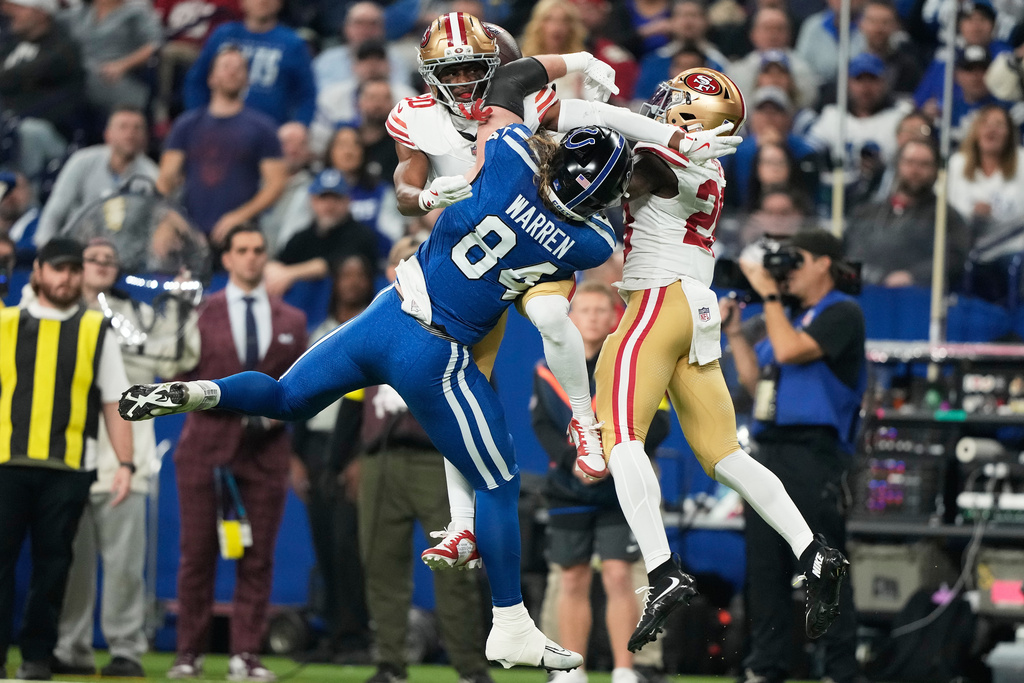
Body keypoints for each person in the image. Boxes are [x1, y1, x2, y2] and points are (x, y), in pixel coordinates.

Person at [119, 52, 634, 673]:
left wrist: (573, 61)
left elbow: (511, 80)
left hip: (383, 317)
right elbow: (607, 221)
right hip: (435, 349)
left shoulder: (509, 157)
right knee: (498, 481)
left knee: (285, 398)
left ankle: (203, 393)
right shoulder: (591, 241)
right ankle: (510, 623)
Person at [388, 12, 723, 569]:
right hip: (470, 263)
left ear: (496, 68)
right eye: (456, 71)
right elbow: (404, 179)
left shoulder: (514, 100)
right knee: (458, 379)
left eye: (477, 68)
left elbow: (595, 112)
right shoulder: (413, 117)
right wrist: (420, 198)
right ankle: (462, 525)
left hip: (537, 237)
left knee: (549, 318)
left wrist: (673, 136)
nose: (468, 82)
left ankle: (583, 423)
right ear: (430, 75)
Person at [588, 68, 850, 655]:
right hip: (696, 308)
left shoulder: (667, 158)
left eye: (676, 105)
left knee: (621, 436)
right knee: (724, 453)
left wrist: (587, 109)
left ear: (691, 119)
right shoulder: (708, 161)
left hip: (656, 300)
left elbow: (610, 178)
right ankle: (812, 550)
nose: (662, 109)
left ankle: (660, 569)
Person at [326, 235, 495, 683]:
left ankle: (469, 667)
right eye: (398, 259)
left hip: (438, 459)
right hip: (380, 456)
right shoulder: (372, 320)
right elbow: (350, 395)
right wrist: (338, 459)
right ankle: (389, 662)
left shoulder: (462, 313)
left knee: (456, 569)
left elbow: (485, 387)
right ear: (389, 271)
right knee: (381, 564)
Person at [160, 225, 307, 681]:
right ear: (226, 259)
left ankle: (246, 653)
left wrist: (272, 418)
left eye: (258, 250)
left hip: (266, 454)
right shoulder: (199, 312)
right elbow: (175, 372)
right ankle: (189, 653)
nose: (250, 258)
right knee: (196, 555)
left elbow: (303, 388)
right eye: (241, 250)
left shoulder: (292, 320)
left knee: (258, 557)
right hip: (205, 448)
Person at [719, 230, 865, 683]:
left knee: (824, 567)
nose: (786, 272)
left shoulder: (842, 311)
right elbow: (754, 383)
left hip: (815, 453)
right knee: (765, 569)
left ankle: (838, 670)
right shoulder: (787, 317)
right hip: (769, 452)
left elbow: (789, 350)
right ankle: (767, 666)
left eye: (795, 261)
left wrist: (768, 296)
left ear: (824, 263)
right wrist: (737, 333)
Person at [51, 238, 199, 678]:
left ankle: (126, 649)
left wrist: (179, 305)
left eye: (108, 261)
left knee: (124, 565)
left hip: (127, 452)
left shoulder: (138, 316)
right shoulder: (56, 313)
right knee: (68, 562)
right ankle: (70, 647)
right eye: (92, 259)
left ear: (117, 270)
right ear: (78, 266)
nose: (99, 266)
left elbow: (178, 359)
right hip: (68, 450)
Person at [0, 237, 134, 681]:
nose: (67, 277)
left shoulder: (97, 330)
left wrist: (126, 464)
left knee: (54, 566)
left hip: (69, 468)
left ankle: (38, 656)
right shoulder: (4, 324)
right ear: (36, 271)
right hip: (7, 463)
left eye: (74, 269)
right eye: (58, 268)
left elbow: (114, 402)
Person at [532, 280, 670, 683]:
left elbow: (658, 423)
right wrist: (575, 459)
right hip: (568, 485)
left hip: (620, 484)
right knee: (572, 575)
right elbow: (541, 424)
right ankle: (572, 669)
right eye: (584, 310)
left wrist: (612, 457)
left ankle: (626, 670)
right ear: (570, 318)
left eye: (600, 310)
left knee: (618, 573)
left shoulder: (634, 362)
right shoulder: (548, 366)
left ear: (615, 317)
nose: (592, 317)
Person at [289, 254, 375, 663]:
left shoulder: (376, 327)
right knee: (323, 543)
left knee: (348, 545)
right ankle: (332, 631)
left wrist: (361, 457)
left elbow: (369, 401)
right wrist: (295, 456)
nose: (353, 281)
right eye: (346, 274)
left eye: (361, 274)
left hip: (355, 449)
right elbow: (299, 394)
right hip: (315, 446)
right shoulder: (320, 332)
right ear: (336, 282)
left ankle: (356, 633)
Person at [157, 45, 287, 244]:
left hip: (241, 235)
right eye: (226, 66)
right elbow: (166, 180)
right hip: (191, 234)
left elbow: (276, 183)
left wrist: (239, 216)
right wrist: (169, 222)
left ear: (247, 79)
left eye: (239, 68)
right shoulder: (187, 125)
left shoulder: (263, 128)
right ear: (211, 78)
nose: (232, 71)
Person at [843, 138, 971, 288]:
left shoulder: (947, 217)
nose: (915, 170)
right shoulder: (865, 212)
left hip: (914, 297)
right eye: (910, 162)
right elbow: (847, 253)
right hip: (863, 293)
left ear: (936, 171)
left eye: (924, 164)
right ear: (898, 166)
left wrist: (913, 276)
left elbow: (954, 259)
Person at [182, 0, 317, 127]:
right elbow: (196, 81)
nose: (262, 1)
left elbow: (307, 94)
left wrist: (300, 126)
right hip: (218, 127)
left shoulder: (293, 43)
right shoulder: (222, 35)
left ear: (280, 3)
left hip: (272, 134)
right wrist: (199, 118)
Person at [37, 107, 158, 246]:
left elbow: (154, 227)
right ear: (107, 134)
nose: (130, 133)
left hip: (125, 259)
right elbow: (56, 210)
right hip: (77, 250)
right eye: (123, 127)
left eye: (137, 128)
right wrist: (44, 249)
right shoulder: (82, 161)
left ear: (145, 137)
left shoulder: (152, 176)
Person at [0, 0, 85, 185]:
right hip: (8, 126)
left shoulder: (63, 48)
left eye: (20, 9)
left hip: (53, 135)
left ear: (41, 13)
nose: (12, 14)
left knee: (29, 130)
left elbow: (60, 99)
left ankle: (28, 203)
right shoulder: (10, 44)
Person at [263, 169, 379, 297]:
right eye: (323, 198)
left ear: (348, 201)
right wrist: (273, 269)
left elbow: (332, 264)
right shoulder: (303, 236)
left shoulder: (360, 234)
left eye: (336, 198)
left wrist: (289, 274)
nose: (329, 205)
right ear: (312, 201)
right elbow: (280, 261)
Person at [62, 0, 162, 114]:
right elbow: (48, 20)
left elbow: (154, 44)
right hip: (80, 73)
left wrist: (122, 65)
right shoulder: (81, 13)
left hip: (115, 77)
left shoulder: (136, 12)